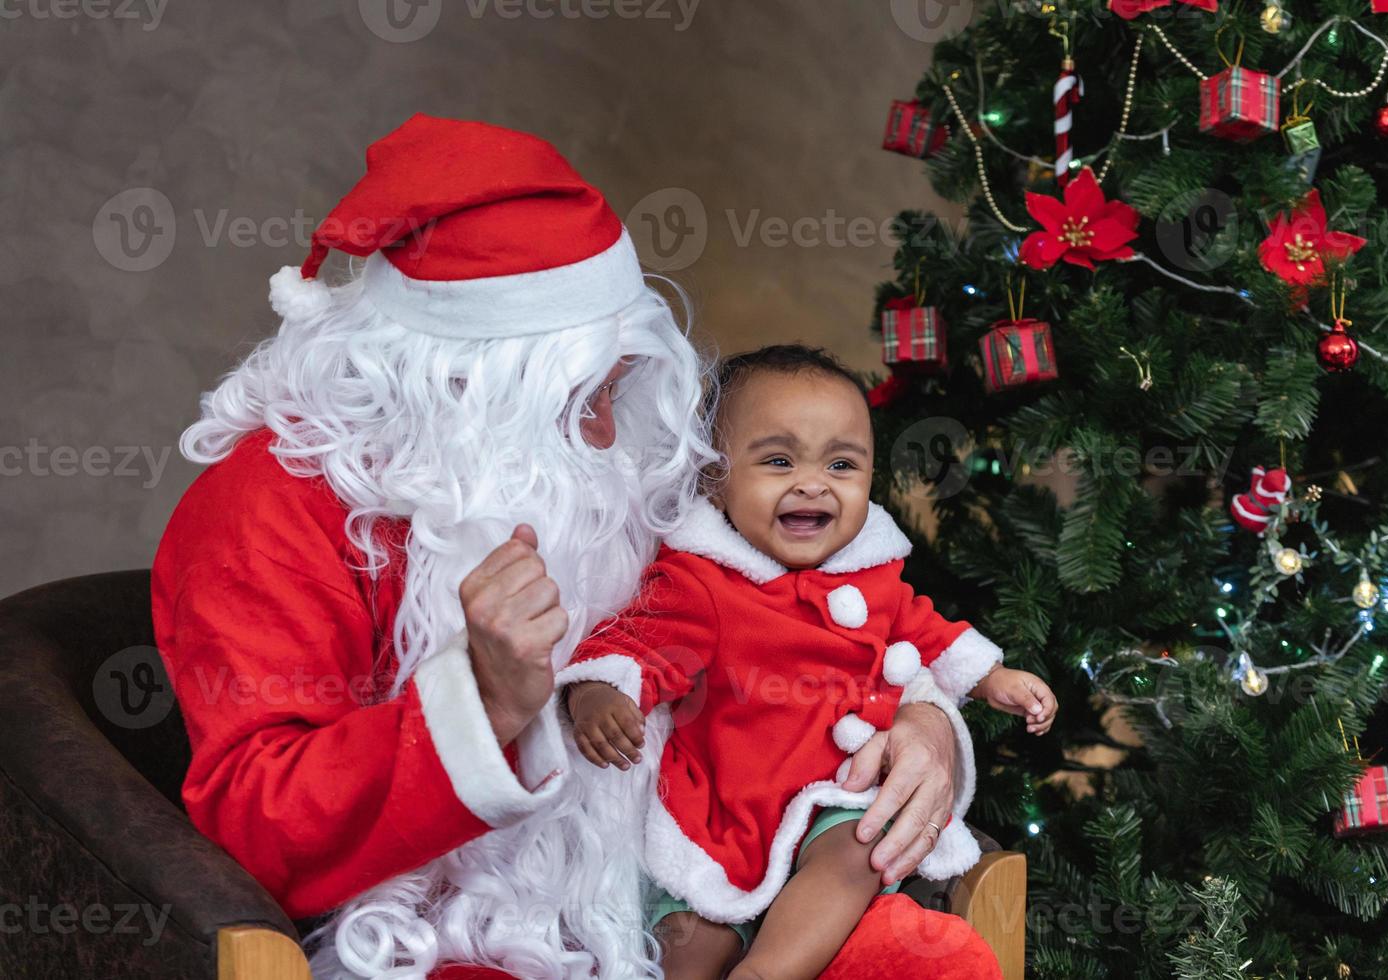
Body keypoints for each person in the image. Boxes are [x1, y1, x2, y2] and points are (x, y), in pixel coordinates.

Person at [150, 114, 1002, 979]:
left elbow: (794, 617)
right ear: (460, 383)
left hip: (687, 896)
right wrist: (485, 703)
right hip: (433, 938)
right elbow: (258, 825)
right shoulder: (272, 502)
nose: (606, 435)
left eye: (618, 389)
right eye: (572, 399)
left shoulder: (626, 458)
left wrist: (925, 721)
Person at [562, 345, 1057, 978]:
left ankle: (768, 971)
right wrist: (600, 691)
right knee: (688, 939)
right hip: (725, 813)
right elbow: (638, 643)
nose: (813, 482)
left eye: (842, 463)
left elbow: (929, 634)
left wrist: (994, 678)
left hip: (832, 795)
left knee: (861, 851)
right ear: (715, 476)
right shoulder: (704, 582)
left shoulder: (874, 573)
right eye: (777, 460)